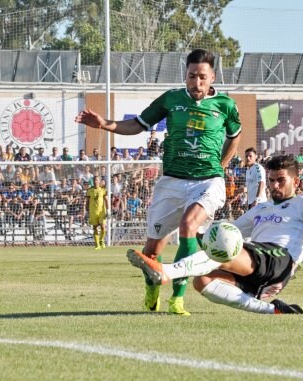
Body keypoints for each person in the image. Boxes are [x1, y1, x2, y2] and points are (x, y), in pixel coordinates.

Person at [75, 48, 242, 315]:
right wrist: (104, 124)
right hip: (172, 181)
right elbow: (138, 125)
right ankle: (152, 287)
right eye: (191, 76)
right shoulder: (171, 99)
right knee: (152, 249)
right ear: (185, 75)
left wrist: (220, 168)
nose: (196, 83)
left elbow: (234, 137)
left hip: (207, 181)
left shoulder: (226, 105)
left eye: (201, 77)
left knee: (189, 226)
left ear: (212, 76)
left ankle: (178, 298)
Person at [127, 155, 303, 314]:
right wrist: (192, 225)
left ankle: (165, 272)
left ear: (295, 181)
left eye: (281, 180)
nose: (275, 185)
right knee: (202, 281)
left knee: (223, 250)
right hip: (261, 272)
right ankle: (274, 311)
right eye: (272, 180)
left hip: (280, 259)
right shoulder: (262, 208)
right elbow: (228, 231)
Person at [85, 176, 109, 250]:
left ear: (99, 181)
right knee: (95, 227)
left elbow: (106, 200)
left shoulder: (103, 190)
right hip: (93, 211)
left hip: (102, 211)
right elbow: (88, 201)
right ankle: (97, 245)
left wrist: (108, 210)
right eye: (95, 180)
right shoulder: (89, 190)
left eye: (97, 180)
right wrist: (86, 210)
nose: (96, 181)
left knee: (103, 227)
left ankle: (101, 240)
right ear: (93, 181)